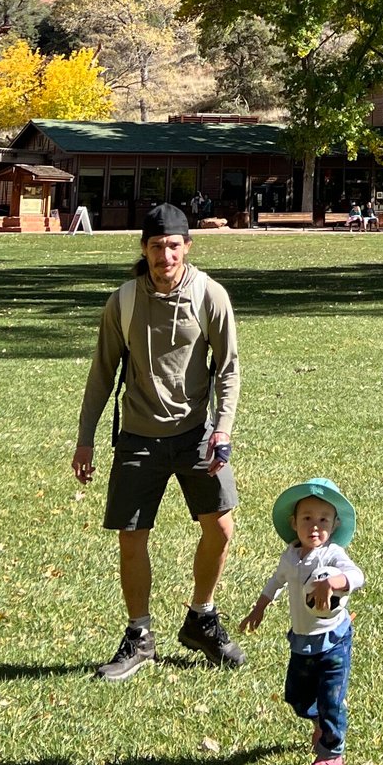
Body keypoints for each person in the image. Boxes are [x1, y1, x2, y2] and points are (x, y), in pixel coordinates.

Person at [73, 204, 243, 680]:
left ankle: (202, 618)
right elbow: (101, 374)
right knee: (132, 537)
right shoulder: (123, 301)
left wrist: (223, 429)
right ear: (144, 249)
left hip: (197, 437)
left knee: (221, 529)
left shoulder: (210, 295)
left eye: (172, 245)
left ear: (187, 246)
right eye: (155, 246)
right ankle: (139, 635)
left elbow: (228, 370)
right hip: (138, 438)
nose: (164, 254)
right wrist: (85, 439)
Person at [240, 477, 364, 765]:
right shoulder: (290, 555)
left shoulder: (332, 555)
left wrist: (331, 583)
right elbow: (277, 581)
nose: (315, 526)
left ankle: (331, 757)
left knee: (332, 701)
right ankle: (319, 721)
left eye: (323, 519)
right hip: (302, 641)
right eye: (307, 518)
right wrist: (260, 607)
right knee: (296, 697)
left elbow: (356, 575)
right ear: (293, 523)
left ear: (334, 525)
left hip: (334, 640)